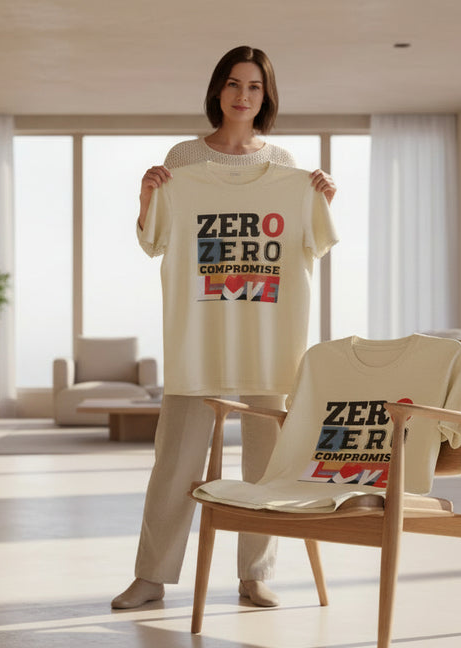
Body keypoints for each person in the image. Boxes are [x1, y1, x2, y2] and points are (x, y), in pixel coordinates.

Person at [112, 45, 338, 610]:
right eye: (234, 84)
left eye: (255, 87)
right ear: (218, 89)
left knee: (266, 460)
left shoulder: (287, 167)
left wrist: (322, 199)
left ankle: (255, 574)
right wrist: (146, 198)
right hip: (198, 339)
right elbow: (153, 241)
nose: (243, 96)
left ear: (267, 95)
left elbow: (316, 243)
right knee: (175, 460)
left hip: (269, 339)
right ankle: (152, 576)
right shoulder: (184, 158)